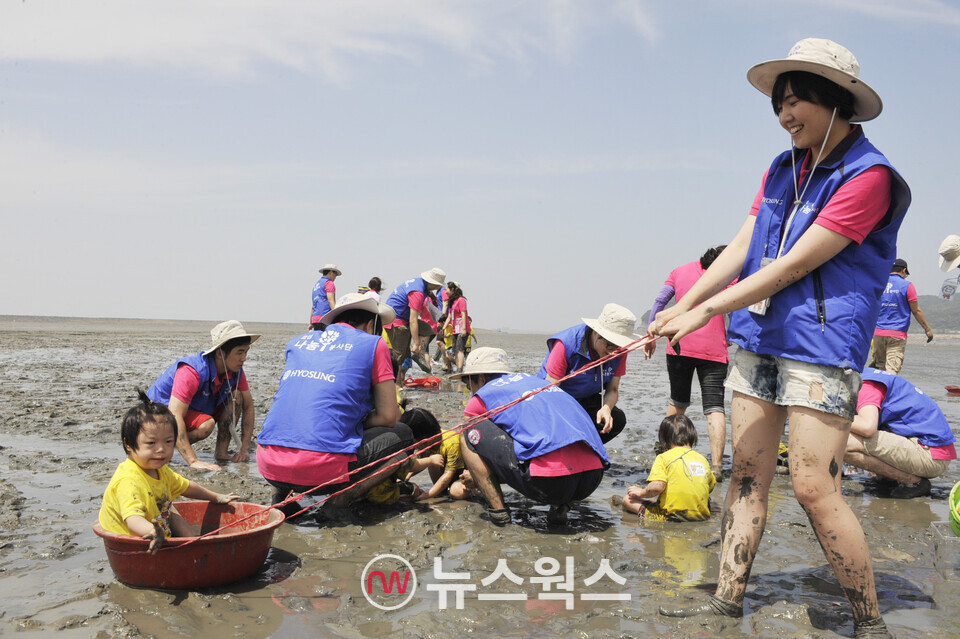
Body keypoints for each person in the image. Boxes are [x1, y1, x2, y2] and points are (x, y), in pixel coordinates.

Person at [652, 39, 910, 638]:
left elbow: (794, 264)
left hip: (821, 350)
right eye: (779, 106)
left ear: (834, 100)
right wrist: (683, 307)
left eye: (796, 103)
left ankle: (869, 621)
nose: (785, 115)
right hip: (758, 337)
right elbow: (744, 246)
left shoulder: (869, 176)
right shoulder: (779, 167)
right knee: (745, 475)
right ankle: (726, 601)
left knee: (814, 484)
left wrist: (705, 310)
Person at [256, 293, 414, 515]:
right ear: (370, 324)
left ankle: (280, 497)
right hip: (321, 472)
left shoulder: (297, 343)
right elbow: (389, 416)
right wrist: (357, 421)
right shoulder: (373, 343)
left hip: (268, 464)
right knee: (403, 433)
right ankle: (339, 501)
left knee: (293, 421)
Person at [454, 347, 609, 526]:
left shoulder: (483, 395)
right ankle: (562, 506)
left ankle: (499, 513)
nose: (470, 390)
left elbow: (472, 439)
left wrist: (476, 475)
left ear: (480, 378)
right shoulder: (536, 382)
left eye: (468, 385)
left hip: (550, 483)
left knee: (468, 430)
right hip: (592, 478)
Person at [99, 390, 240, 554]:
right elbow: (133, 519)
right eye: (151, 443)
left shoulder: (160, 470)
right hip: (134, 545)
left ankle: (193, 544)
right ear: (128, 444)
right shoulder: (128, 481)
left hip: (158, 525)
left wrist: (216, 497)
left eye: (168, 442)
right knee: (167, 510)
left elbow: (187, 487)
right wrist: (152, 531)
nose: (161, 450)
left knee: (170, 509)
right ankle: (190, 548)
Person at [646, 246, 732, 478]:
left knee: (678, 401)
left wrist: (651, 332)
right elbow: (737, 311)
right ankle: (716, 466)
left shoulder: (679, 271)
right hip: (714, 350)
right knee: (715, 408)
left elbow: (660, 301)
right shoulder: (727, 275)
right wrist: (731, 336)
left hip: (678, 343)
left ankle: (665, 451)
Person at [146, 320, 259, 472]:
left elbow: (248, 405)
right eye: (239, 352)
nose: (244, 358)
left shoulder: (236, 371)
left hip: (193, 409)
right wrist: (193, 461)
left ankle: (221, 453)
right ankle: (164, 445)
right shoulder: (191, 371)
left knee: (237, 397)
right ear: (220, 353)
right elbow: (175, 414)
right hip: (158, 414)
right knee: (206, 425)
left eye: (246, 351)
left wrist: (244, 449)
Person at [844, 368, 956, 498]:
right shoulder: (866, 375)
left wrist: (833, 417)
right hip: (927, 449)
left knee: (842, 441)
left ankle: (913, 482)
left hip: (931, 455)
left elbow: (867, 427)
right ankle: (889, 478)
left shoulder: (867, 385)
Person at [537, 303, 637, 444]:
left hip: (587, 399)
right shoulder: (566, 345)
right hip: (556, 400)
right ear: (596, 333)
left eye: (618, 347)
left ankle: (585, 452)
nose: (612, 352)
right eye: (609, 345)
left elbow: (613, 389)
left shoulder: (619, 352)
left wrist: (606, 409)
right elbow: (549, 393)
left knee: (617, 419)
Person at [615, 414, 716, 521]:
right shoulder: (702, 460)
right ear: (693, 437)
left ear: (664, 440)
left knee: (627, 500)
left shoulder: (663, 458)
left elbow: (657, 486)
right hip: (701, 516)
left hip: (669, 517)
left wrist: (641, 492)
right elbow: (709, 487)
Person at [868, 259, 933, 374]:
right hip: (896, 334)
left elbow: (870, 306)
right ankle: (889, 391)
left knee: (881, 370)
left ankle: (879, 391)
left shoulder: (879, 284)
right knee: (892, 371)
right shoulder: (907, 286)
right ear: (903, 270)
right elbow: (916, 310)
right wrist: (927, 330)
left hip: (877, 333)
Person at [383, 268, 446, 382]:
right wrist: (416, 343)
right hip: (396, 321)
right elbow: (413, 320)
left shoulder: (420, 284)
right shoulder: (418, 292)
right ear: (433, 283)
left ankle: (417, 355)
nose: (439, 288)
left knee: (427, 329)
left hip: (403, 318)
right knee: (399, 356)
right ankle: (395, 385)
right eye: (438, 285)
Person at [400, 407, 471, 500]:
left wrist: (427, 495)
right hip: (445, 476)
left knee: (456, 491)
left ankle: (473, 492)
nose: (414, 447)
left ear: (425, 440)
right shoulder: (427, 445)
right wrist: (406, 476)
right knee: (431, 461)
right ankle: (441, 492)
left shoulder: (452, 443)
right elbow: (421, 463)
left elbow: (448, 475)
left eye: (414, 443)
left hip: (462, 477)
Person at [447, 283, 471, 373]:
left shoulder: (461, 300)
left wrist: (464, 328)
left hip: (461, 328)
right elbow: (450, 316)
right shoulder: (453, 302)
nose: (446, 292)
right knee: (456, 350)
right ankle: (458, 367)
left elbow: (464, 313)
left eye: (447, 290)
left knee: (460, 349)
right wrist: (443, 328)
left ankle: (459, 370)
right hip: (455, 329)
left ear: (453, 289)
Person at [310, 264, 341, 329]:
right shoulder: (329, 283)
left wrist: (310, 323)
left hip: (315, 319)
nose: (336, 276)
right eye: (335, 274)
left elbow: (313, 306)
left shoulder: (316, 285)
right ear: (331, 272)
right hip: (325, 318)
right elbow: (331, 300)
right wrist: (337, 316)